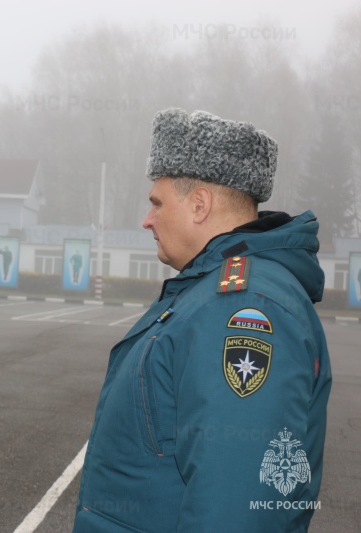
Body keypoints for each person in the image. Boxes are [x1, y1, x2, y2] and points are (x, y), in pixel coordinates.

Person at [74, 109, 332, 532]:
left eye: (156, 203)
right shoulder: (211, 291)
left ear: (199, 205)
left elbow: (235, 507)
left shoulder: (243, 308)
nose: (147, 219)